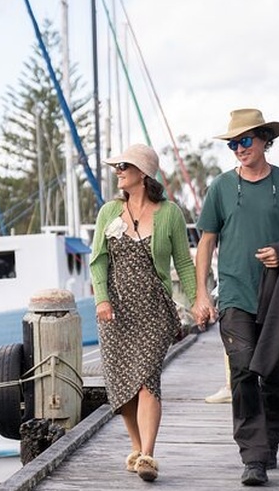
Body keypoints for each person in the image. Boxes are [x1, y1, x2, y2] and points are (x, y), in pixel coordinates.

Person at [191, 109, 279, 486]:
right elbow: (206, 242)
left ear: (265, 140)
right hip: (234, 294)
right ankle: (253, 457)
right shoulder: (220, 187)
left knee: (274, 378)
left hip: (278, 297)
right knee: (244, 371)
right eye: (233, 144)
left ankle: (271, 440)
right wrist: (203, 293)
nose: (239, 149)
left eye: (245, 141)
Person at [89, 143, 197, 482]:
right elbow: (98, 261)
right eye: (118, 166)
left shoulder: (170, 214)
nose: (118, 171)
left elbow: (183, 261)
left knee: (147, 381)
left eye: (125, 166)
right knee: (123, 384)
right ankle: (136, 447)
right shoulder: (108, 212)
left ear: (143, 174)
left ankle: (148, 453)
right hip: (116, 311)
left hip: (154, 309)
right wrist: (102, 300)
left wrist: (197, 301)